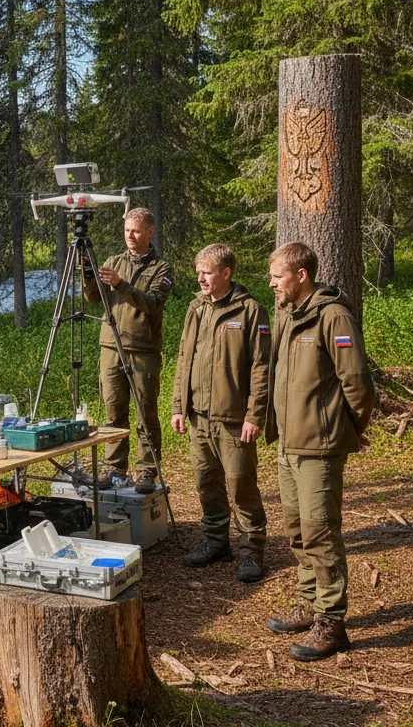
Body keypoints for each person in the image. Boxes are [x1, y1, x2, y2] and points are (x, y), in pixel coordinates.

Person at [265, 242, 375, 661]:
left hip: (319, 448)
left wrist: (347, 430)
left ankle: (332, 623)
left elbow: (358, 385)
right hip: (290, 446)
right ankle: (309, 604)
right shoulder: (288, 314)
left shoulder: (333, 316)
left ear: (301, 276)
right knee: (297, 532)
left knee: (321, 532)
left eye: (278, 276)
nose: (272, 283)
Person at [171, 244, 269, 583]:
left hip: (233, 421)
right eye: (198, 272)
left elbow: (261, 367)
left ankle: (251, 551)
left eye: (207, 272)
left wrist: (255, 416)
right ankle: (216, 543)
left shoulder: (251, 310)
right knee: (206, 484)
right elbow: (185, 358)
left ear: (226, 273)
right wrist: (178, 407)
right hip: (198, 418)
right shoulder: (196, 308)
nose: (200, 278)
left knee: (242, 486)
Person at [82, 207, 173, 494]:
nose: (130, 236)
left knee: (146, 413)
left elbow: (152, 303)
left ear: (149, 231)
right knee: (114, 411)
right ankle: (115, 467)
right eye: (126, 231)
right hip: (110, 346)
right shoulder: (114, 261)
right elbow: (94, 300)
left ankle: (146, 470)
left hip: (142, 349)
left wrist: (121, 284)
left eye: (135, 231)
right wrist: (89, 278)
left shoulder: (162, 268)